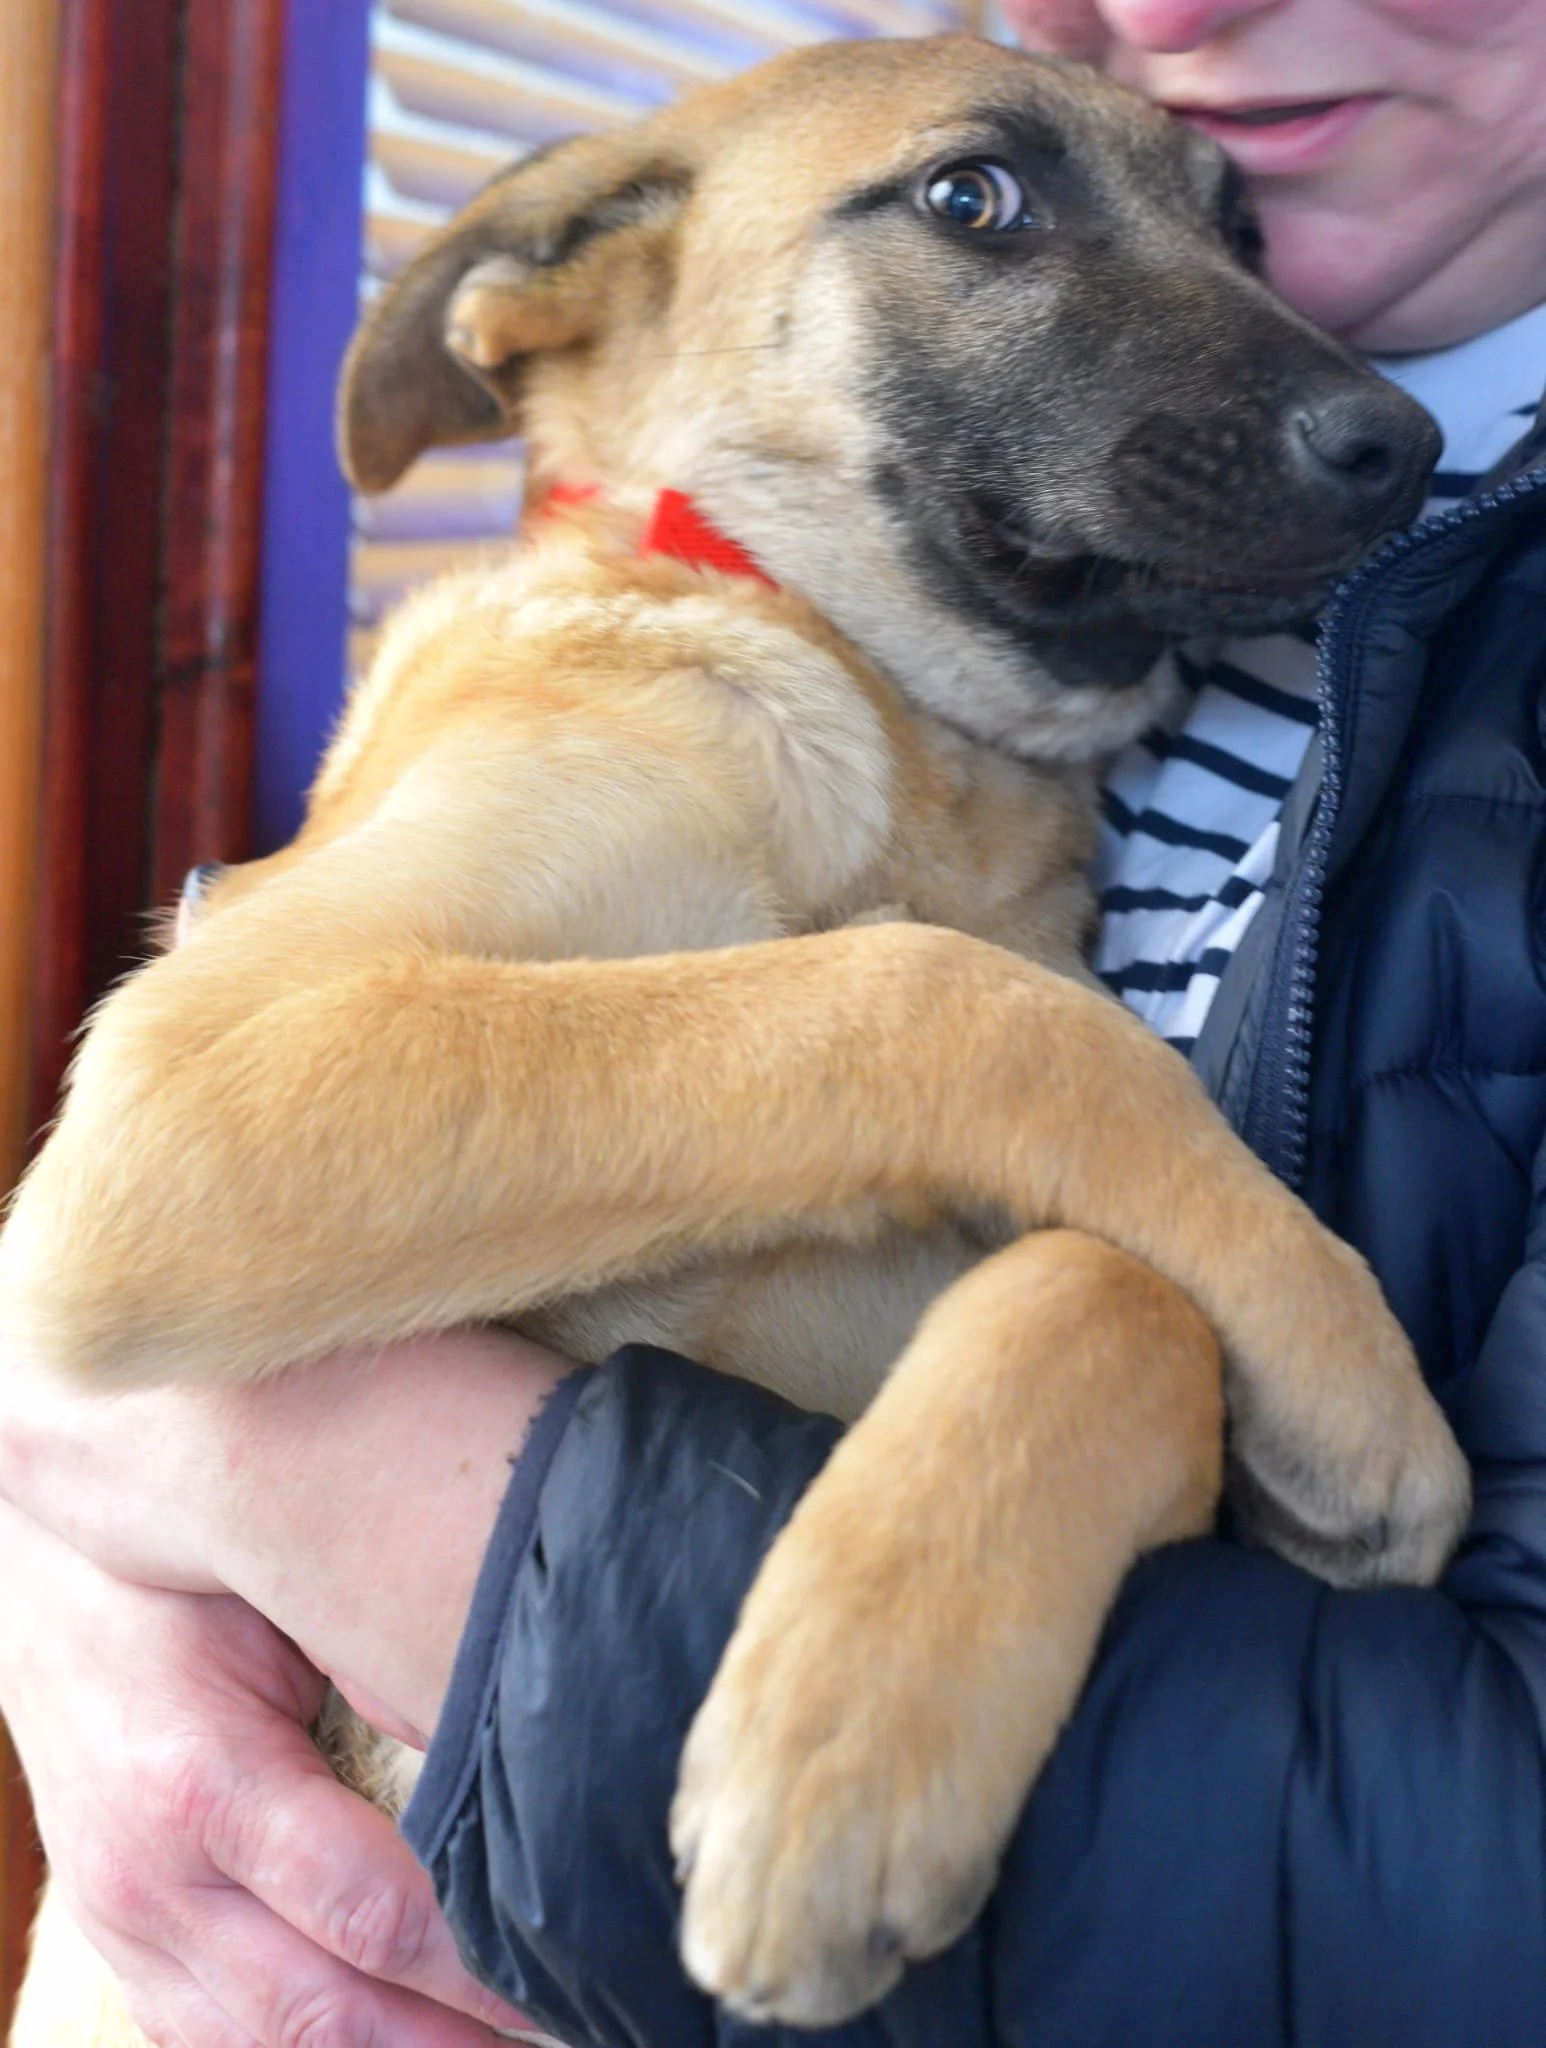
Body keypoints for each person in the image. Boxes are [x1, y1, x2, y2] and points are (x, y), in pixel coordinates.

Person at [4, 0, 1546, 2040]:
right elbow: (130, 1246)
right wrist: (87, 1564)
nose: (1177, 11)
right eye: (978, 201)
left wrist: (1098, 1329)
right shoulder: (752, 683)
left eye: (1199, 237)